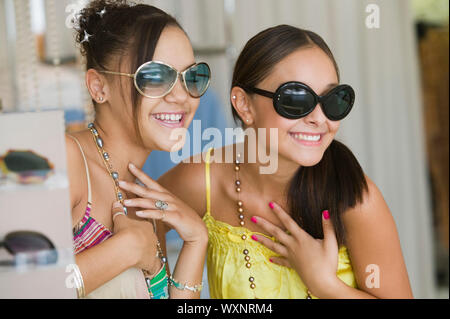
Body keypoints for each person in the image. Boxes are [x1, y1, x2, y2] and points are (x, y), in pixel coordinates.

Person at [158, 25, 413, 298]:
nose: (319, 118)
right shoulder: (203, 181)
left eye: (333, 100)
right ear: (244, 104)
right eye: (295, 99)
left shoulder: (357, 202)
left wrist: (326, 285)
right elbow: (140, 223)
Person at [65, 0, 209, 298]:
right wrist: (127, 248)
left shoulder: (145, 197)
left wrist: (196, 240)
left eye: (191, 77)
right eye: (155, 76)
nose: (182, 97)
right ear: (98, 87)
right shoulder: (69, 160)